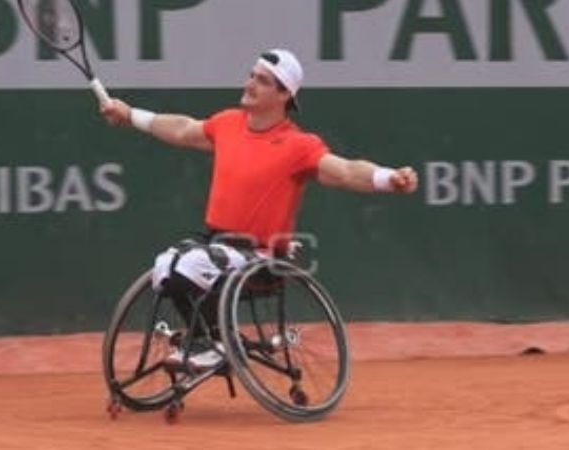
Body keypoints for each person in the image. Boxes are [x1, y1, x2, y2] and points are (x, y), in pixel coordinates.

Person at [100, 48, 418, 369]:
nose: (250, 84)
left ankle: (213, 344)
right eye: (252, 75)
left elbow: (346, 171)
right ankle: (208, 339)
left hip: (261, 257)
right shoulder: (228, 124)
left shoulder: (299, 145)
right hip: (216, 246)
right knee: (166, 266)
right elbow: (183, 129)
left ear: (284, 95)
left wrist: (389, 178)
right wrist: (130, 116)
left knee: (192, 265)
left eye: (262, 81)